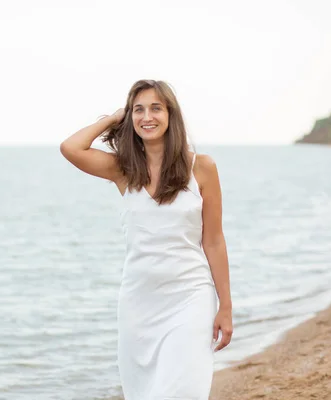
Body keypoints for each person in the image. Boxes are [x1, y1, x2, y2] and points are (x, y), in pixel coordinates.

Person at [59, 79, 233, 399]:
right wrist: (112, 119)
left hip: (190, 296)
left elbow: (214, 241)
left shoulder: (202, 168)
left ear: (171, 115)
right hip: (138, 303)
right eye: (138, 110)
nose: (146, 116)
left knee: (184, 389)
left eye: (156, 108)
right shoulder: (123, 170)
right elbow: (70, 148)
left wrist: (226, 307)